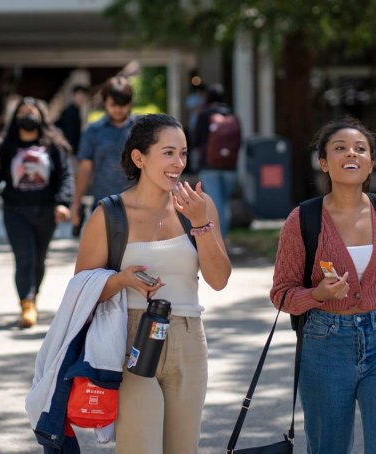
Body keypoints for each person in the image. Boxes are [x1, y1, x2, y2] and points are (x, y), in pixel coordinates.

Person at [269, 117, 376, 453]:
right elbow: (281, 295)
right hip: (324, 346)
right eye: (340, 148)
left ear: (370, 164)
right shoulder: (302, 220)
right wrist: (317, 294)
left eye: (360, 148)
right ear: (324, 162)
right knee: (328, 447)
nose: (351, 153)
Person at [74, 114, 232, 453]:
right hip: (132, 339)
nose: (178, 163)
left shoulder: (198, 208)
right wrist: (122, 280)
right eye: (169, 153)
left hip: (189, 338)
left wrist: (202, 224)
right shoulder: (109, 214)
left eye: (184, 153)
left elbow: (219, 280)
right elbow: (81, 292)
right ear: (139, 157)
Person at [0, 97, 73, 328]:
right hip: (15, 210)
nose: (28, 115)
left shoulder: (53, 145)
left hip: (45, 211)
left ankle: (32, 298)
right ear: (15, 118)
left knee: (39, 259)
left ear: (41, 116)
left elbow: (65, 175)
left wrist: (63, 202)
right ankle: (26, 303)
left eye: (32, 111)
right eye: (23, 112)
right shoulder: (6, 146)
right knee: (24, 257)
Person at [70, 77, 135, 234]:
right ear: (104, 102)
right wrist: (76, 203)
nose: (118, 109)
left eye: (123, 105)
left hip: (137, 204)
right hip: (104, 204)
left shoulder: (140, 129)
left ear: (130, 103)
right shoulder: (93, 130)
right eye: (113, 105)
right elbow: (85, 169)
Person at [191, 83, 241, 238]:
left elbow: (195, 140)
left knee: (214, 204)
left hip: (209, 167)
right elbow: (240, 142)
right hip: (230, 167)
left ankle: (218, 240)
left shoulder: (204, 115)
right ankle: (224, 238)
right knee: (224, 205)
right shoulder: (232, 115)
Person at [55, 84, 89, 153]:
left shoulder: (76, 110)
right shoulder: (69, 111)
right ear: (74, 95)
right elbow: (69, 132)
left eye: (84, 96)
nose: (81, 98)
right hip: (68, 148)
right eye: (79, 95)